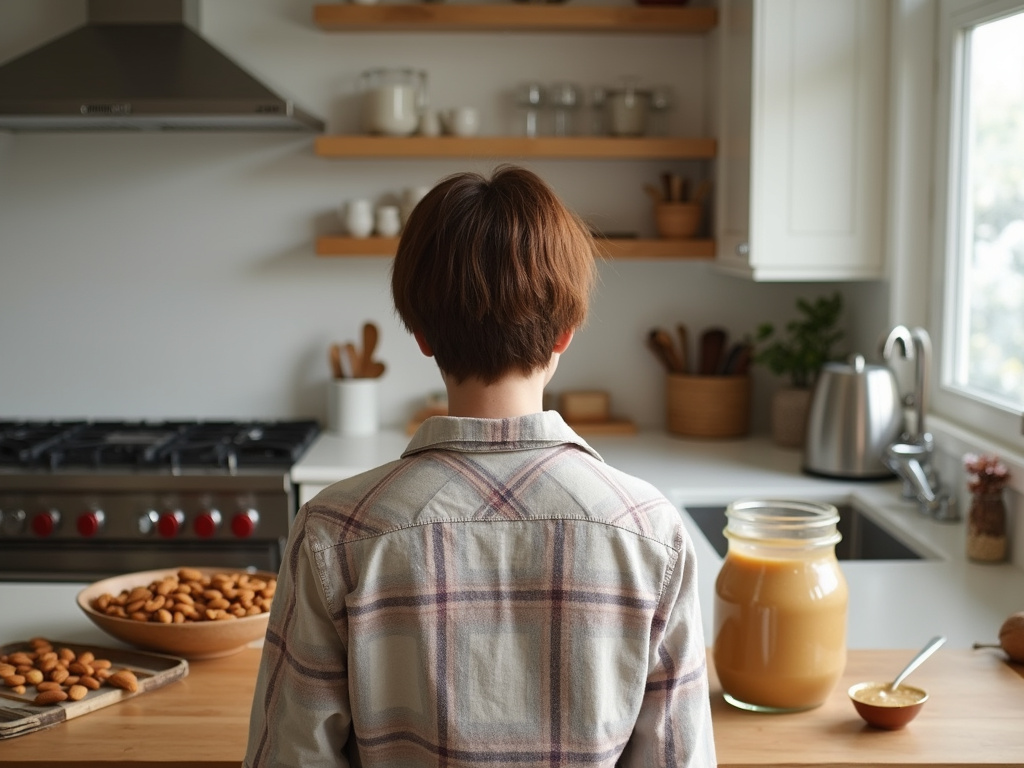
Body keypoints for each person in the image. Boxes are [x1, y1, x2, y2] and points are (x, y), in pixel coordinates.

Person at [244, 166, 717, 768]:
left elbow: (288, 759)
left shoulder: (333, 532)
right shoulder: (651, 532)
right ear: (566, 334)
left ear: (419, 334)